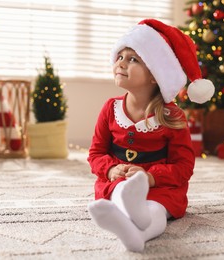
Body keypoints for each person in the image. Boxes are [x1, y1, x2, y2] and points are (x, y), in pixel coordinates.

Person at [87, 19, 214, 252]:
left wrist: (150, 178)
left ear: (155, 75)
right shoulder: (110, 109)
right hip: (118, 181)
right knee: (119, 191)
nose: (121, 63)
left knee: (156, 210)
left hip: (161, 186)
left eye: (133, 58)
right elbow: (95, 153)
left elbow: (184, 166)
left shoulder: (172, 116)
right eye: (120, 56)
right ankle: (128, 215)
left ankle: (138, 230)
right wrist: (110, 170)